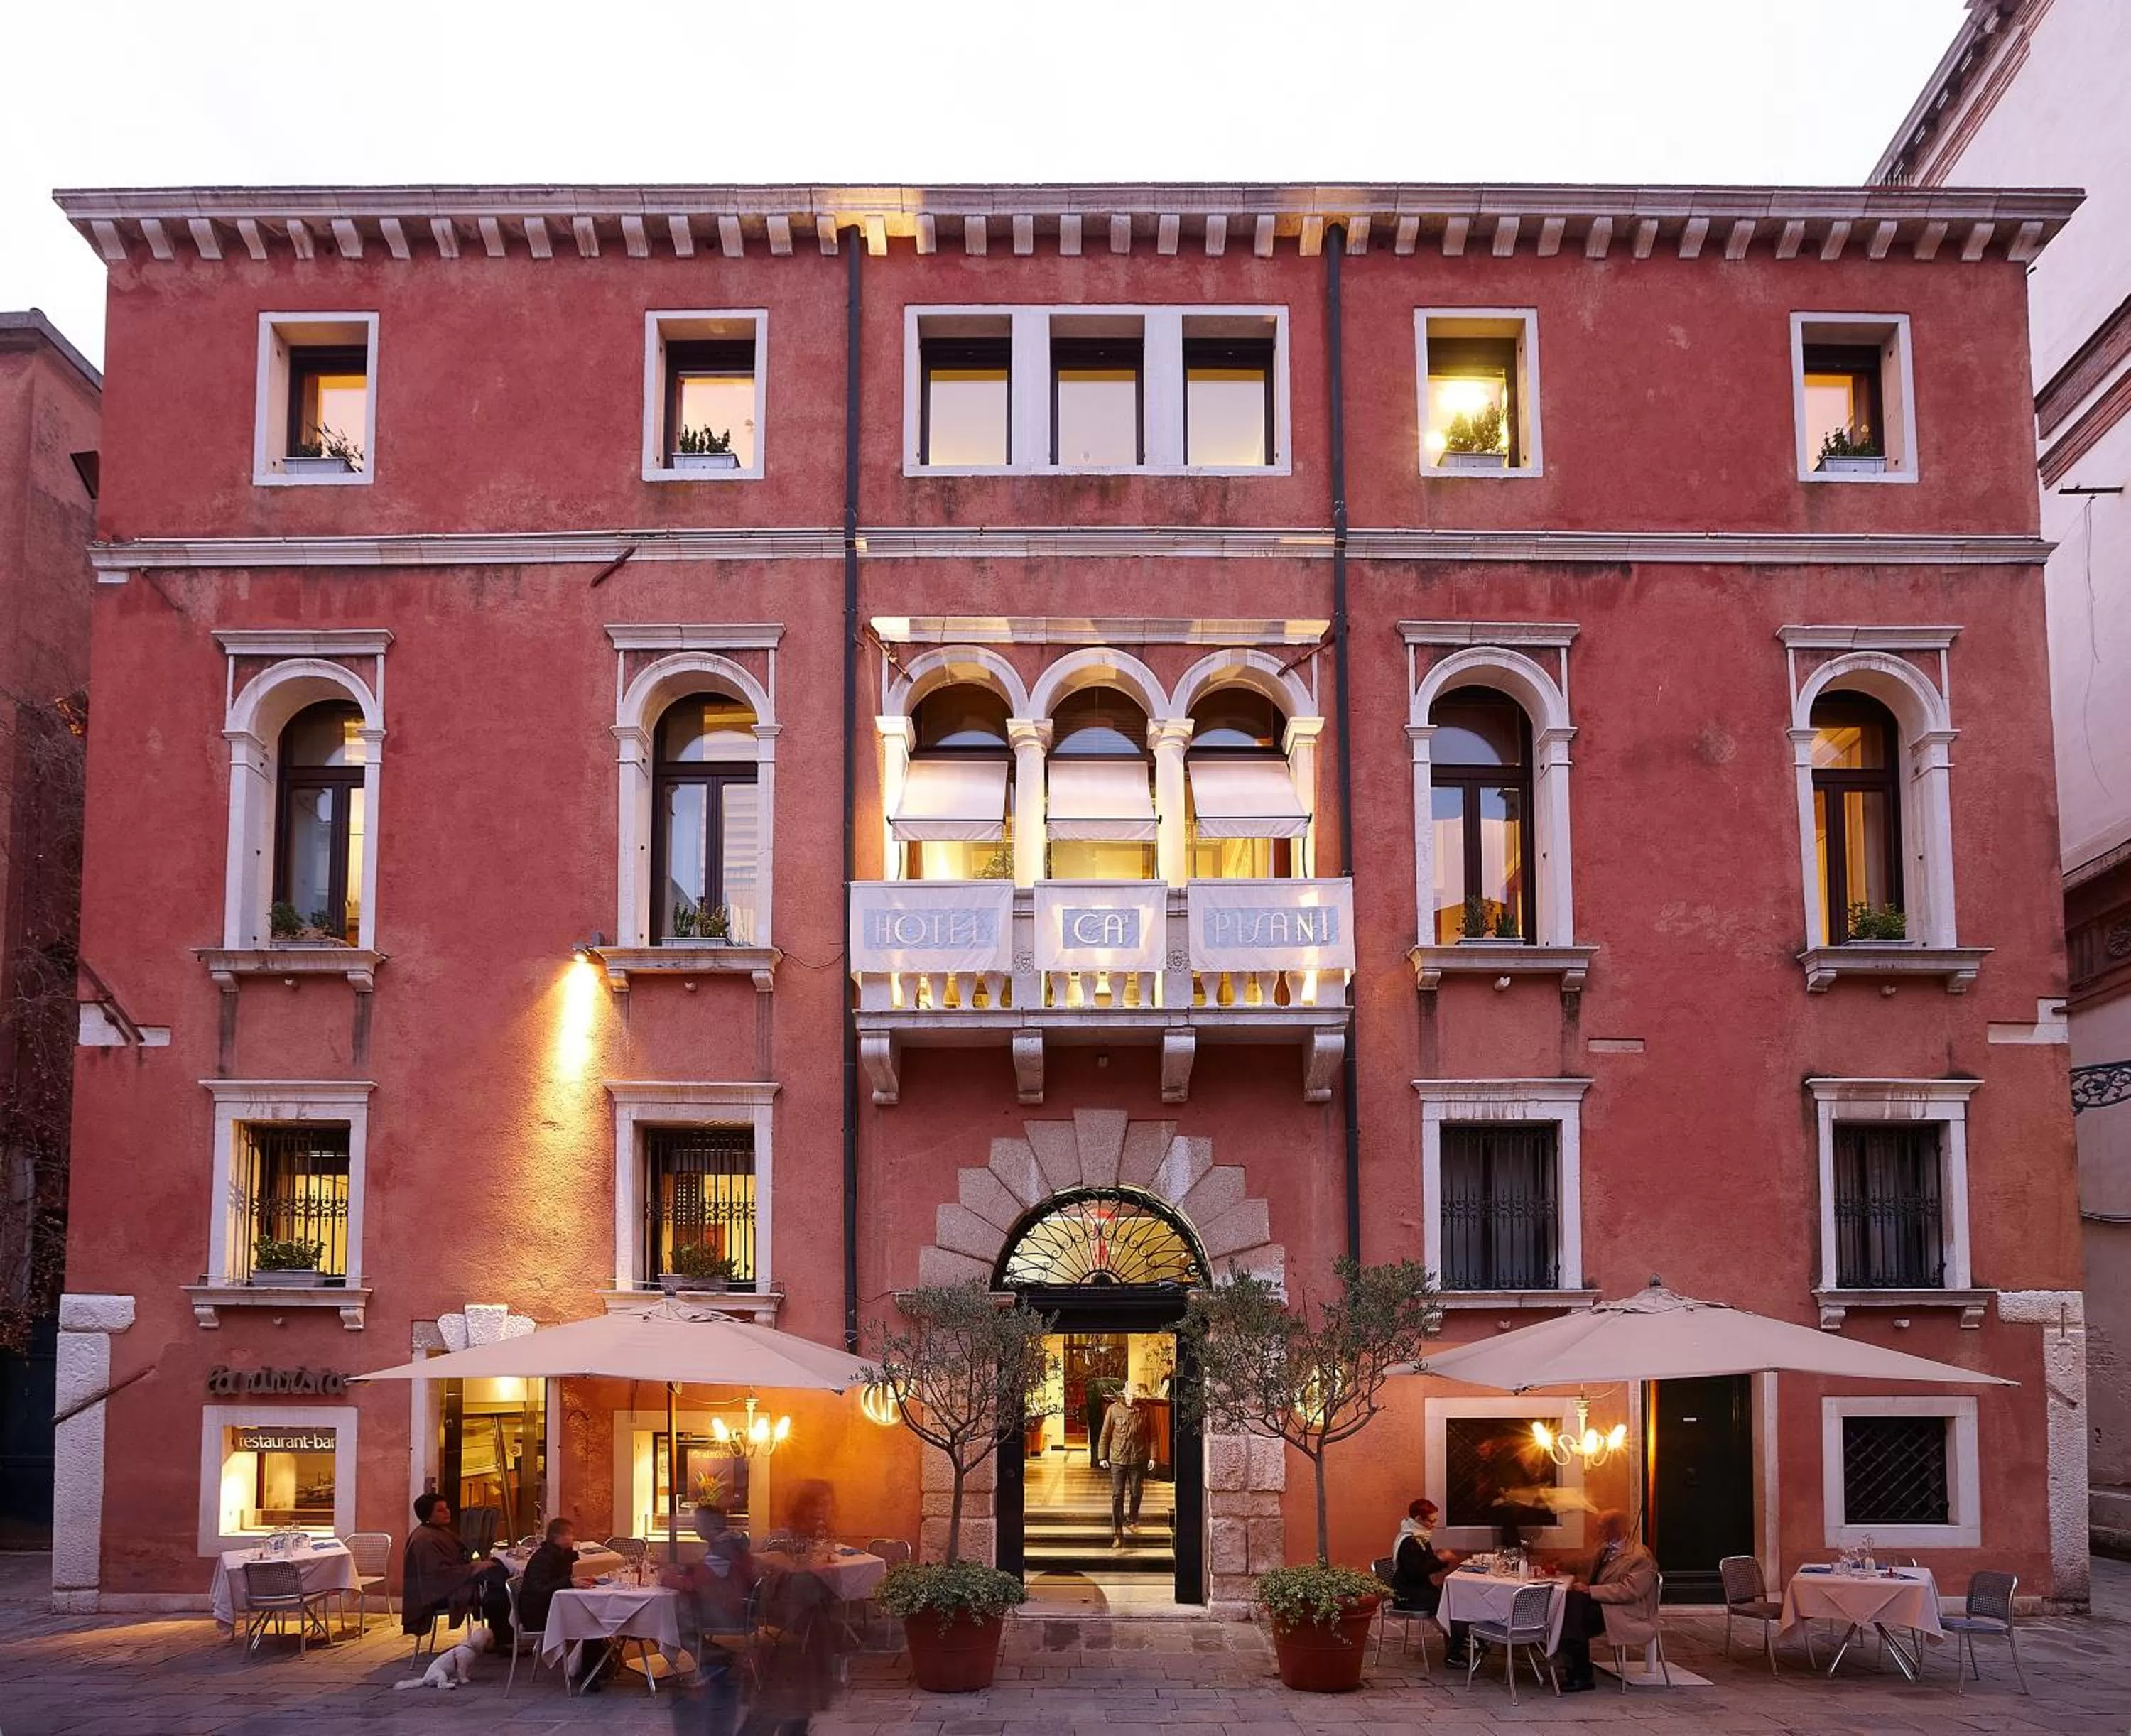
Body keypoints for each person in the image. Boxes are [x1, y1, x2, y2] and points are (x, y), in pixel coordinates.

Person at [664, 1505, 760, 1736]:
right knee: (678, 1616)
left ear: (711, 1526)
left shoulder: (722, 1550)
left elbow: (694, 1584)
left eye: (697, 1522)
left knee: (675, 1623)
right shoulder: (727, 1545)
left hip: (728, 1611)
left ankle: (724, 1660)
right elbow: (706, 1572)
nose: (694, 1526)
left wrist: (667, 1577)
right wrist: (687, 1568)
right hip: (736, 1606)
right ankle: (722, 1662)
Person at [1554, 1509, 1660, 1693]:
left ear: (1616, 1529)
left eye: (1601, 1528)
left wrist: (1591, 1590)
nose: (1598, 1532)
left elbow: (1629, 1591)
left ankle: (1580, 1673)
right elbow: (1583, 1562)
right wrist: (1560, 1563)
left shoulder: (1639, 1557)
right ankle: (1575, 1669)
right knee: (1568, 1605)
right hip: (1600, 1606)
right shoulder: (1604, 1549)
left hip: (1624, 1612)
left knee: (1571, 1614)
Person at [400, 1492, 511, 1655]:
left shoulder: (439, 1531)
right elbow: (437, 1576)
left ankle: (501, 1637)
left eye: (446, 1508)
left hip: (454, 1582)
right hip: (439, 1594)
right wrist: (474, 1568)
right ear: (427, 1514)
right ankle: (503, 1641)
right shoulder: (423, 1540)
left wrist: (478, 1566)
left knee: (498, 1574)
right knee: (495, 1590)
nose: (447, 1512)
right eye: (440, 1510)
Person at [519, 1517, 614, 1693]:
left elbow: (561, 1583)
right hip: (538, 1614)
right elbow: (540, 1590)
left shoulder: (561, 1557)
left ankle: (596, 1668)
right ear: (558, 1537)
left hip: (552, 1608)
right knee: (592, 1622)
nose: (573, 1537)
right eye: (569, 1534)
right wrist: (569, 1582)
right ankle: (588, 1673)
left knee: (594, 1617)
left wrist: (574, 1581)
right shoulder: (543, 1559)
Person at [1389, 1498, 1472, 1666]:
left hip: (1417, 1588)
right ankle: (1454, 1652)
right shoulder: (1409, 1541)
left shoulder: (1420, 1537)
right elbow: (1416, 1572)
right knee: (1452, 1601)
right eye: (1431, 1521)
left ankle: (1458, 1641)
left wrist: (1438, 1559)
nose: (1434, 1525)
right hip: (1407, 1594)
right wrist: (1440, 1559)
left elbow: (1425, 1565)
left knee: (1455, 1596)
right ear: (1419, 1519)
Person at [1096, 1381, 1154, 1548]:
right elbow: (1105, 1435)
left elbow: (1153, 1436)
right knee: (1117, 1495)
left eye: (1134, 1395)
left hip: (1137, 1458)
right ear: (1123, 1395)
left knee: (1137, 1491)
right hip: (1118, 1458)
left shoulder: (1146, 1410)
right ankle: (1118, 1533)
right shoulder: (1113, 1410)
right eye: (1129, 1395)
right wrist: (1102, 1456)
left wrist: (1153, 1457)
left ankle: (1132, 1519)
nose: (1131, 1398)